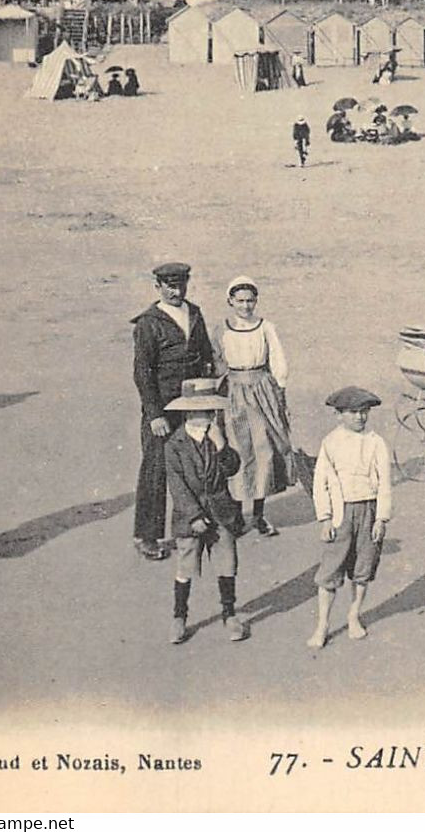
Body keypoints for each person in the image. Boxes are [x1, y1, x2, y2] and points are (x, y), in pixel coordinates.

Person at [131, 263, 215, 561]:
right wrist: (154, 415)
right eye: (169, 286)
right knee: (156, 469)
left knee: (198, 462)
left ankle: (197, 525)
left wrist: (208, 396)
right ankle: (146, 535)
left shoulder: (194, 313)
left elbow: (206, 356)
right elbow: (142, 373)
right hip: (164, 408)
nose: (176, 291)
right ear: (158, 287)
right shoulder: (148, 323)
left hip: (192, 404)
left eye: (180, 285)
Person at [163, 379, 247, 644]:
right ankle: (179, 617)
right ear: (187, 412)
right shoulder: (174, 445)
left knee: (227, 561)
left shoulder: (217, 435)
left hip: (221, 510)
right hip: (191, 516)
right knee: (186, 565)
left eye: (210, 411)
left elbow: (232, 467)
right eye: (200, 411)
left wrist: (221, 444)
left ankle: (230, 613)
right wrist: (194, 516)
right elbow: (177, 485)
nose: (206, 416)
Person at [308, 386, 393, 649]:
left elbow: (385, 484)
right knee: (330, 571)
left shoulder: (376, 442)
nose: (359, 418)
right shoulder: (330, 443)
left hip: (367, 511)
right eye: (353, 413)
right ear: (339, 415)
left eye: (364, 412)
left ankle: (354, 615)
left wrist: (381, 519)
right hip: (340, 513)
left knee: (363, 568)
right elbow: (320, 483)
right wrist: (325, 519)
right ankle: (322, 624)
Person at [211, 277, 292, 538]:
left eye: (250, 300)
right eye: (240, 301)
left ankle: (258, 515)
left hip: (262, 390)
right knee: (238, 452)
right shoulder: (221, 330)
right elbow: (216, 363)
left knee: (263, 451)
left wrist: (279, 391)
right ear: (230, 301)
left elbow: (278, 359)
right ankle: (234, 517)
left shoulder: (266, 328)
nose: (245, 306)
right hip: (234, 391)